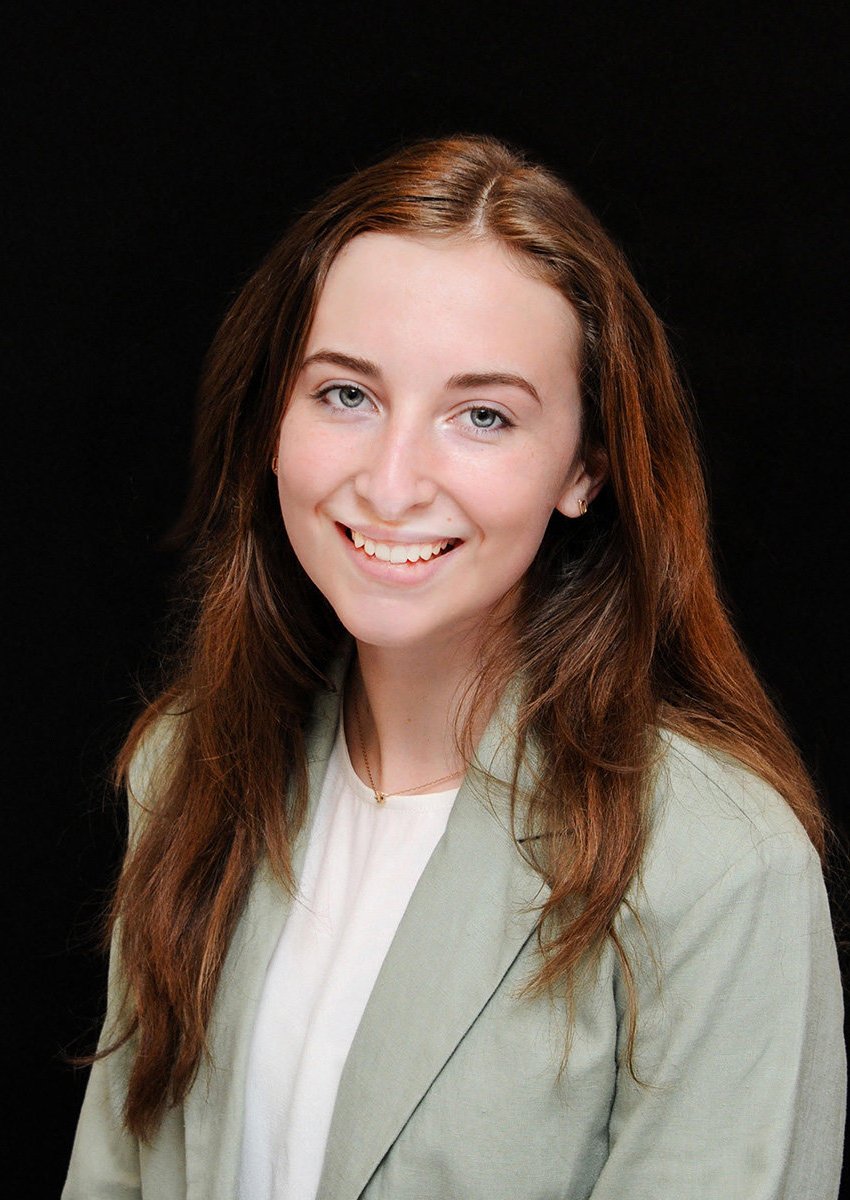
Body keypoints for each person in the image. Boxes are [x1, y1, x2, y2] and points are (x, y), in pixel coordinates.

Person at [63, 135, 845, 1200]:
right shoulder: (187, 768)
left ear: (584, 467)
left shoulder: (716, 866)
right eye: (345, 395)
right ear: (270, 425)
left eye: (482, 416)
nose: (391, 483)